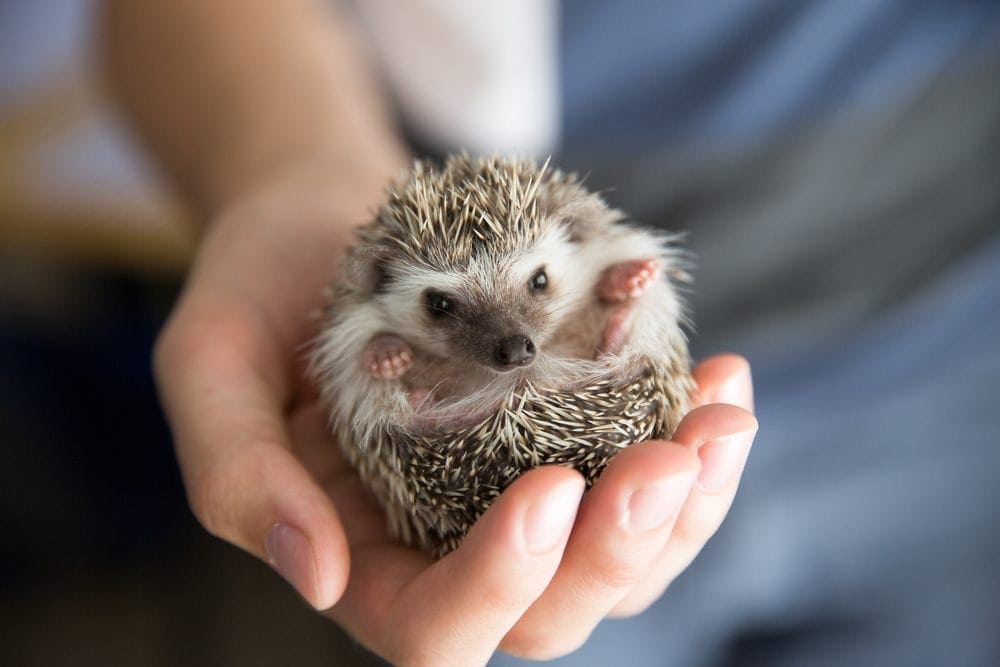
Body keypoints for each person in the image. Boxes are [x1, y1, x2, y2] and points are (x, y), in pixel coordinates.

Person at [104, 1, 1000, 665]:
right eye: (445, 307)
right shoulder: (387, 314)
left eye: (536, 287)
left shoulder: (581, 253)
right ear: (383, 292)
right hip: (532, 555)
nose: (512, 339)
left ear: (570, 249)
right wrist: (292, 167)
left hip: (958, 358)